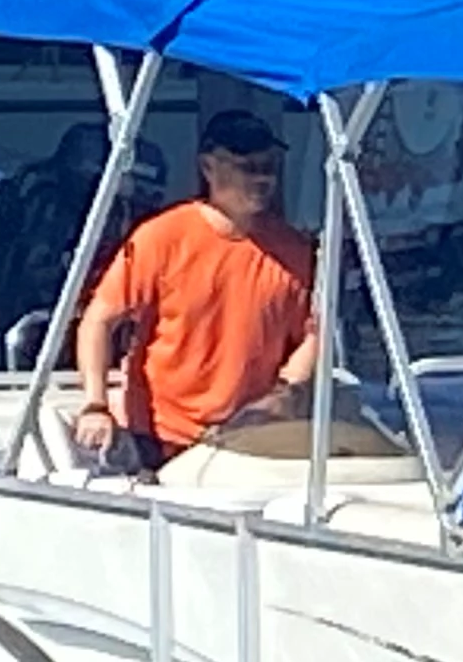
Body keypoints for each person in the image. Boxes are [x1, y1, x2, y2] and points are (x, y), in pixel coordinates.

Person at [65, 107, 322, 473]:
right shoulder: (162, 237)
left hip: (250, 444)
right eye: (248, 167)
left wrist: (285, 391)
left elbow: (316, 334)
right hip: (157, 439)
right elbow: (98, 320)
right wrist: (95, 405)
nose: (263, 178)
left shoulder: (295, 251)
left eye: (269, 166)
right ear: (208, 168)